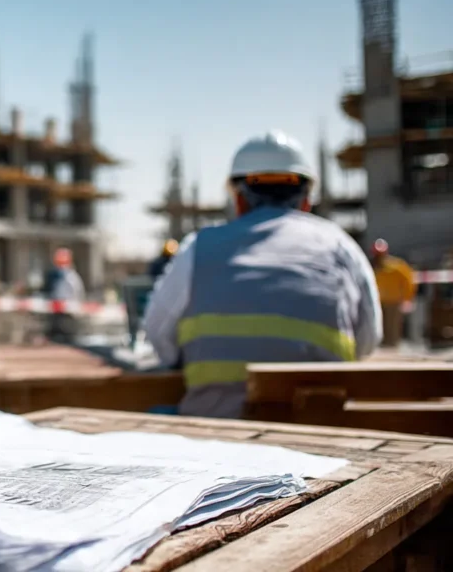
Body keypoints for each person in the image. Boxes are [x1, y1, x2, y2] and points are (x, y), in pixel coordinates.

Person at [143, 131, 382, 419]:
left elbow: (159, 336)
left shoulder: (198, 248)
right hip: (319, 430)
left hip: (217, 433)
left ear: (238, 199)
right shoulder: (341, 246)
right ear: (306, 200)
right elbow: (369, 340)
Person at [370, 239, 416, 347]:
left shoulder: (396, 266)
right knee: (381, 327)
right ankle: (383, 348)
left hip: (393, 302)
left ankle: (392, 348)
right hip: (378, 302)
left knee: (392, 327)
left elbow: (409, 282)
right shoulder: (373, 268)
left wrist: (408, 298)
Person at [45, 247, 86, 344]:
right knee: (56, 333)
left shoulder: (70, 276)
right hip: (57, 309)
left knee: (66, 335)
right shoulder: (56, 275)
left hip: (68, 311)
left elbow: (77, 292)